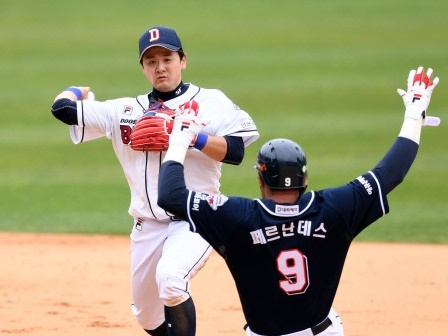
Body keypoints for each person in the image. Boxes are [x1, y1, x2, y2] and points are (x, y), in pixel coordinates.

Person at [157, 66, 440, 336]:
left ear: (260, 179)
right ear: (304, 179)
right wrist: (414, 114)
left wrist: (181, 139)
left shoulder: (237, 217)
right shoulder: (334, 208)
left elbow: (170, 196)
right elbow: (392, 172)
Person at [50, 26, 259, 336]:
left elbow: (237, 151)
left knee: (172, 280)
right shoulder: (124, 110)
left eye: (167, 58)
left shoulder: (211, 102)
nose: (160, 67)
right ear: (143, 67)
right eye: (151, 61)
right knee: (147, 317)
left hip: (195, 218)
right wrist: (76, 91)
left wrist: (191, 137)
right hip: (146, 225)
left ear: (183, 60)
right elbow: (62, 109)